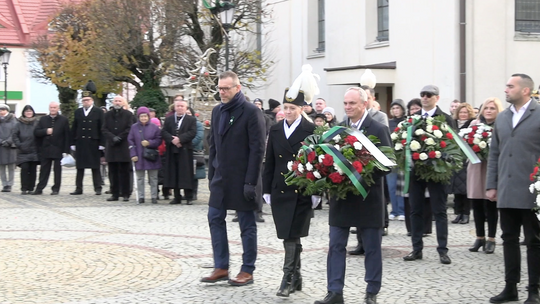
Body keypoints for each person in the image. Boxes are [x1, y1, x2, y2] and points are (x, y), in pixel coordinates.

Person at [315, 87, 391, 304]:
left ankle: (371, 292)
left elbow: (387, 166)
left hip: (369, 197)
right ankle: (335, 291)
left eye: (352, 103)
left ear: (364, 104)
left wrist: (360, 173)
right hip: (342, 197)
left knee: (371, 247)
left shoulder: (378, 128)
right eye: (345, 103)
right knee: (336, 244)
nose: (348, 107)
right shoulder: (337, 130)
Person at [201, 71, 265, 287]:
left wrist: (250, 183)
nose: (222, 92)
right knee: (214, 218)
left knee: (247, 224)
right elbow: (214, 146)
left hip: (243, 178)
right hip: (221, 178)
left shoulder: (251, 112)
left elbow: (257, 150)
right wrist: (212, 174)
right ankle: (221, 266)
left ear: (237, 88)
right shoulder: (217, 111)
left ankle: (247, 269)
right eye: (220, 88)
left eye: (226, 88)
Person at [487, 73, 540, 304]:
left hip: (533, 191)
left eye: (511, 86)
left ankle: (534, 291)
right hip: (507, 189)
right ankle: (511, 288)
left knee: (534, 242)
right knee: (508, 238)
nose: (506, 90)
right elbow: (494, 154)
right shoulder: (502, 118)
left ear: (525, 90)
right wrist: (491, 184)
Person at [263, 87, 316, 297]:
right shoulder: (276, 130)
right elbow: (270, 162)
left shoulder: (310, 130)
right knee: (288, 234)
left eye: (292, 108)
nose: (288, 112)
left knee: (292, 236)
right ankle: (297, 276)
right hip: (280, 189)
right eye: (285, 108)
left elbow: (317, 162)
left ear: (301, 108)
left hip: (302, 190)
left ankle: (287, 279)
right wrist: (266, 188)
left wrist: (316, 192)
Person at [403, 85, 457, 265]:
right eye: (422, 95)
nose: (425, 98)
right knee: (416, 209)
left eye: (429, 95)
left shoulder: (446, 118)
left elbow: (452, 145)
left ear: (437, 98)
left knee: (439, 210)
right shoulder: (414, 118)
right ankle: (416, 248)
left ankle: (443, 250)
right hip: (417, 170)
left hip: (437, 171)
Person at [467, 97, 503, 254]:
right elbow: (465, 142)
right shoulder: (474, 124)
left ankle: (491, 238)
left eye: (492, 108)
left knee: (491, 204)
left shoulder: (501, 126)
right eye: (486, 108)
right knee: (476, 204)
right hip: (476, 166)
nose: (489, 111)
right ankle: (479, 237)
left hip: (492, 167)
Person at [161, 98, 197, 205]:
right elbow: (164, 131)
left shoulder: (191, 119)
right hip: (172, 149)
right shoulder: (169, 119)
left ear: (186, 108)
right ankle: (177, 196)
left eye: (182, 106)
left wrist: (180, 139)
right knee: (174, 173)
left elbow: (192, 132)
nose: (180, 108)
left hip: (185, 149)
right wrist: (172, 140)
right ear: (174, 107)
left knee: (186, 173)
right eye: (178, 106)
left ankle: (189, 196)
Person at [70, 91, 105, 195]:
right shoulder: (78, 112)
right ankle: (78, 188)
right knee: (80, 167)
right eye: (84, 100)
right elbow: (74, 127)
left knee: (95, 167)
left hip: (94, 142)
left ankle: (98, 187)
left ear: (92, 101)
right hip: (81, 142)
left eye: (88, 100)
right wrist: (72, 142)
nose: (86, 102)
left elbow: (102, 128)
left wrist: (102, 143)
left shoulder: (98, 112)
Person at [33, 102, 71, 195]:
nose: (53, 109)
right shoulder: (43, 119)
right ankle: (40, 188)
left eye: (54, 107)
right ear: (49, 108)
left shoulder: (63, 120)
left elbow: (67, 135)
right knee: (44, 170)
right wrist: (45, 131)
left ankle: (56, 188)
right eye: (51, 107)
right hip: (46, 149)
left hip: (58, 148)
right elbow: (36, 132)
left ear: (58, 108)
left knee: (57, 171)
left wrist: (66, 150)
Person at [102, 96, 134, 202]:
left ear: (123, 103)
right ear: (112, 102)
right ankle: (114, 193)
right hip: (112, 146)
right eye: (115, 101)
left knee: (125, 171)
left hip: (123, 145)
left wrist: (120, 137)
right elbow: (104, 128)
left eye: (119, 101)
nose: (117, 102)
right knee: (113, 171)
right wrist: (112, 137)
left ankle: (125, 193)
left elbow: (130, 128)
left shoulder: (128, 115)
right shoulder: (107, 115)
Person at [128, 107, 162, 204]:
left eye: (145, 116)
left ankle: (154, 196)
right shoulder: (134, 127)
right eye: (141, 116)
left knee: (153, 178)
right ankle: (141, 196)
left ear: (148, 116)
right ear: (138, 117)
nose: (143, 118)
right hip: (138, 155)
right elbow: (130, 141)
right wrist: (133, 154)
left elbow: (159, 139)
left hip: (151, 156)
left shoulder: (154, 127)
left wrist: (150, 143)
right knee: (139, 178)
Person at [449, 102, 475, 224]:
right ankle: (458, 213)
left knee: (466, 190)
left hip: (467, 160)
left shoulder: (472, 125)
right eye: (461, 112)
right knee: (457, 190)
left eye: (465, 112)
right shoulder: (453, 125)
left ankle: (466, 214)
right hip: (456, 160)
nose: (463, 115)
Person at [12, 105, 39, 194]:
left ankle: (31, 188)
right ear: (24, 113)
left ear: (33, 112)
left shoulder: (37, 123)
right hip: (23, 150)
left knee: (33, 170)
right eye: (27, 111)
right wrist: (19, 145)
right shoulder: (18, 124)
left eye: (30, 111)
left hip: (34, 150)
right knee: (24, 168)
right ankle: (24, 188)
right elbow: (15, 135)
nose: (28, 113)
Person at [387, 99, 406, 221]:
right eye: (393, 108)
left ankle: (402, 210)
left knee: (402, 186)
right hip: (391, 158)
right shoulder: (388, 123)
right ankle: (394, 210)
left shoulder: (406, 122)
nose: (395, 110)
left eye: (397, 108)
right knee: (392, 186)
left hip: (402, 157)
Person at [186, 107, 205, 201]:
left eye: (189, 113)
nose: (188, 115)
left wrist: (189, 144)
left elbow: (199, 136)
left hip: (194, 150)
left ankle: (194, 193)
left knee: (194, 174)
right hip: (185, 151)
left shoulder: (197, 124)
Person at [0, 104, 18, 192]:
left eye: (3, 109)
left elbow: (15, 132)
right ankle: (4, 184)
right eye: (0, 110)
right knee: (1, 168)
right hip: (1, 147)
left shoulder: (13, 120)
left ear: (7, 110)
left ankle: (10, 184)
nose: (1, 111)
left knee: (11, 167)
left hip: (11, 146)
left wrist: (8, 141)